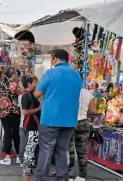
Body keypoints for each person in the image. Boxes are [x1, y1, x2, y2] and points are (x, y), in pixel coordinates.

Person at [34, 49, 82, 181]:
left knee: (46, 150)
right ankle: (62, 178)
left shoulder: (50, 73)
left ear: (54, 59)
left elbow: (37, 94)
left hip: (50, 119)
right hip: (69, 120)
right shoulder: (76, 75)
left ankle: (39, 178)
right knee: (62, 150)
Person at [68, 86, 96, 181]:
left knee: (70, 151)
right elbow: (93, 110)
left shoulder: (69, 91)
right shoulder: (87, 93)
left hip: (70, 123)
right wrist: (84, 113)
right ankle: (82, 176)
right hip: (83, 123)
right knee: (82, 152)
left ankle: (70, 175)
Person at [0, 67, 22, 166]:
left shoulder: (1, 84)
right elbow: (20, 92)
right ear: (12, 74)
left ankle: (7, 157)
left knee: (7, 133)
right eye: (15, 73)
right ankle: (19, 157)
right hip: (14, 112)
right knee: (16, 134)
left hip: (3, 111)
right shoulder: (14, 85)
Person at [20, 74, 41, 181]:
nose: (36, 84)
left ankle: (28, 169)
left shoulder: (32, 95)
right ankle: (26, 171)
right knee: (29, 148)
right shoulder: (26, 96)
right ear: (29, 84)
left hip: (34, 125)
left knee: (31, 148)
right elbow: (25, 112)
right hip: (30, 125)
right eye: (34, 82)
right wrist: (39, 108)